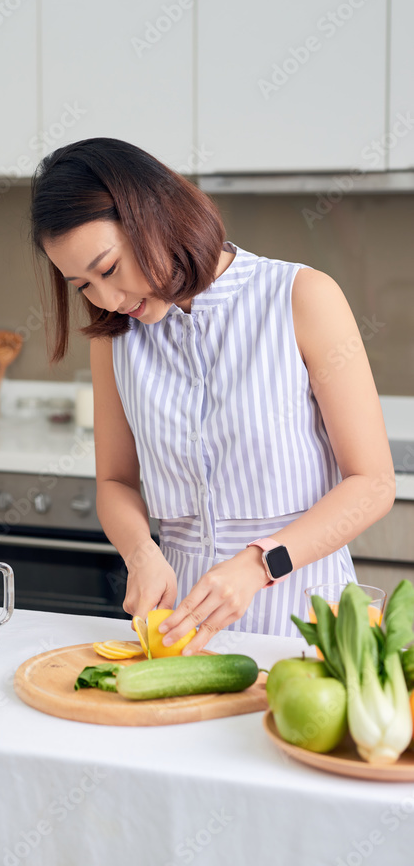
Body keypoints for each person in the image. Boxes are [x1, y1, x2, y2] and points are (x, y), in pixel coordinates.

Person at [30, 138, 395, 653]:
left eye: (109, 268)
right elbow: (115, 481)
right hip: (184, 627)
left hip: (308, 620)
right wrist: (140, 551)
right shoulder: (116, 337)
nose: (107, 299)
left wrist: (258, 563)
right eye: (82, 285)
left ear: (152, 216)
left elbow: (374, 483)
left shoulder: (301, 297)